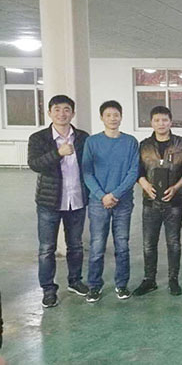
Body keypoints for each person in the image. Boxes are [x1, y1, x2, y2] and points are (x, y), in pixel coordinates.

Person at [27, 95, 90, 308]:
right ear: (49, 112)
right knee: (47, 248)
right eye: (57, 109)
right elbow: (34, 164)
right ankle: (48, 289)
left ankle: (75, 281)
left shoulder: (82, 137)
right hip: (49, 202)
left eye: (66, 109)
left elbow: (89, 165)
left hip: (77, 200)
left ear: (73, 113)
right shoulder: (39, 138)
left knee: (76, 245)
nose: (62, 114)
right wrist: (58, 153)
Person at [82, 100, 140, 303]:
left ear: (121, 117)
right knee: (97, 246)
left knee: (122, 245)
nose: (113, 119)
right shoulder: (92, 142)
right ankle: (94, 286)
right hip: (98, 202)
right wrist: (102, 195)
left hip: (123, 202)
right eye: (108, 115)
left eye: (116, 115)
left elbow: (133, 171)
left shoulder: (131, 142)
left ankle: (122, 284)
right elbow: (87, 172)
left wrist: (115, 194)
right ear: (101, 118)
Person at [132, 106, 182, 297]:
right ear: (151, 123)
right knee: (148, 243)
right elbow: (137, 170)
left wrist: (176, 188)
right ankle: (149, 280)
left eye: (165, 120)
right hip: (150, 203)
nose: (161, 124)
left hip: (174, 203)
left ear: (170, 122)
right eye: (157, 120)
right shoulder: (144, 146)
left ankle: (173, 280)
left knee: (173, 242)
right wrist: (144, 184)